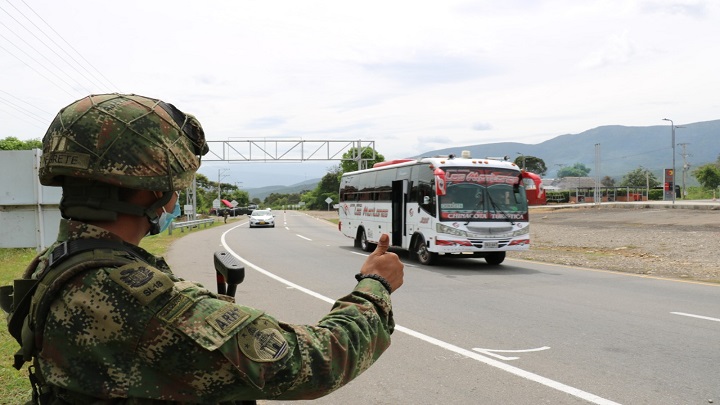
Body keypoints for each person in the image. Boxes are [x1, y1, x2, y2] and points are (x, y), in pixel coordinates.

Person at [3, 93, 404, 404]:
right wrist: (374, 287)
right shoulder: (129, 293)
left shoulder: (52, 263)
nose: (175, 199)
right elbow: (313, 364)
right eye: (175, 188)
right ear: (153, 192)